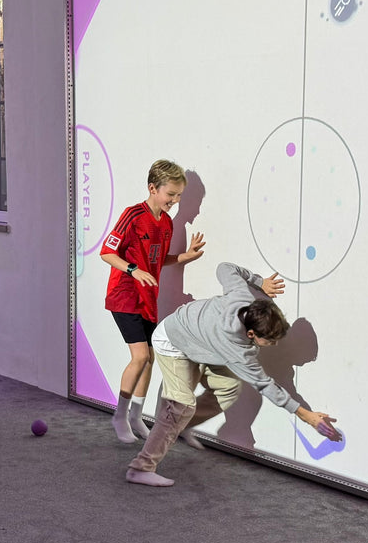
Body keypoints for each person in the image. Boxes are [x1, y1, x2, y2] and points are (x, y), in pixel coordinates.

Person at [125, 261, 340, 487]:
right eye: (270, 341)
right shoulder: (237, 350)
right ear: (250, 334)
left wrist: (259, 282)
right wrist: (307, 416)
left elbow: (225, 268)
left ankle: (182, 426)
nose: (274, 345)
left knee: (228, 389)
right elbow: (266, 385)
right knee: (180, 406)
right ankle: (141, 468)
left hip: (200, 341)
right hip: (174, 341)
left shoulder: (243, 298)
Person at [99, 159, 206, 442]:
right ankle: (119, 416)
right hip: (124, 296)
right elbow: (107, 252)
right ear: (152, 188)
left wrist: (186, 257)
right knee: (141, 356)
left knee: (150, 360)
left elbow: (159, 260)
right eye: (171, 194)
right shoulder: (133, 215)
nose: (176, 201)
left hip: (148, 299)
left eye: (180, 196)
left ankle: (136, 416)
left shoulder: (168, 223)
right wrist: (134, 270)